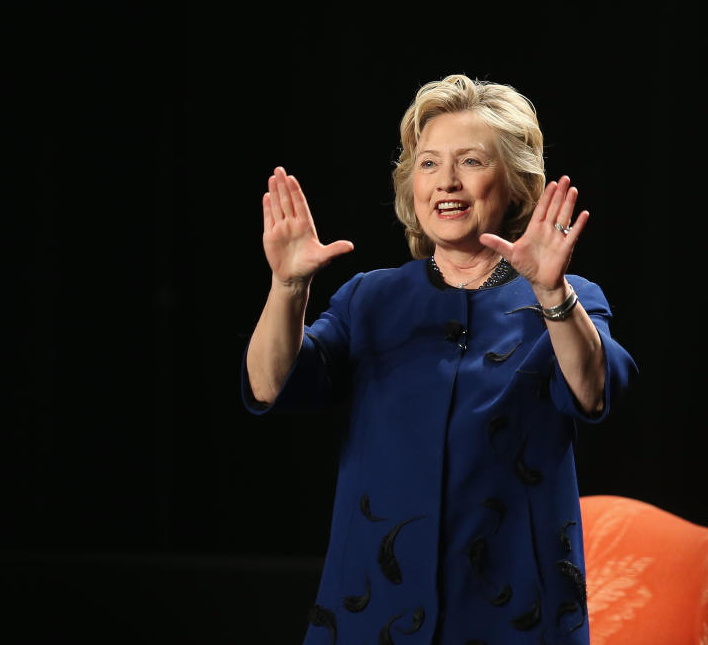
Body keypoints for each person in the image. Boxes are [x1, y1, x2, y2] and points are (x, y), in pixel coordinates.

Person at [242, 75, 637, 644]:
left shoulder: (569, 298)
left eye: (471, 161)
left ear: (517, 185)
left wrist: (552, 295)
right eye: (428, 164)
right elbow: (269, 384)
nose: (446, 182)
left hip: (516, 611)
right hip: (373, 606)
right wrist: (286, 288)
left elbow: (593, 391)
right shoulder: (369, 298)